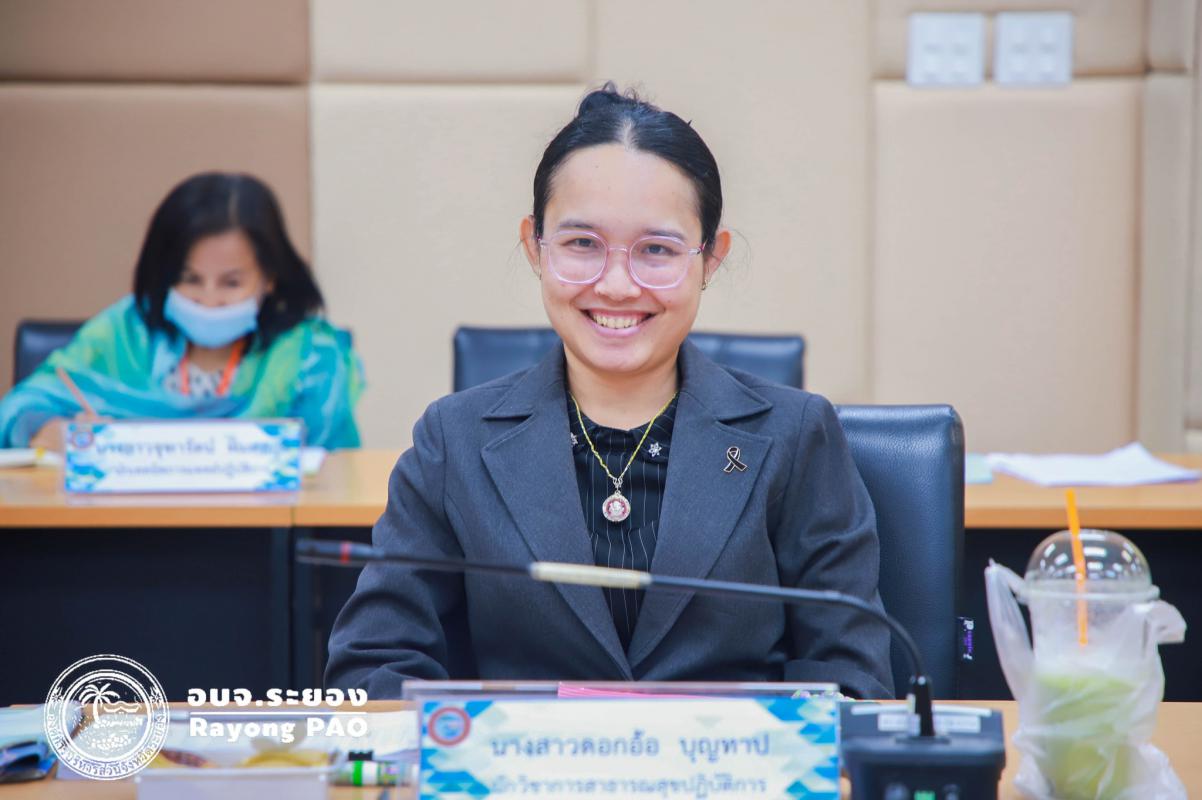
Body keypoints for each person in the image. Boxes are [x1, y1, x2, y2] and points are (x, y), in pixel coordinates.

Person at [326, 85, 893, 698]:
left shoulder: (795, 436)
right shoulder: (453, 441)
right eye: (581, 244)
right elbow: (371, 667)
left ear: (711, 260)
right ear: (534, 247)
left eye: (657, 250)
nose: (617, 285)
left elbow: (853, 677)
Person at [0, 172, 363, 450]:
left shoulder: (309, 356)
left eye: (231, 283)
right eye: (190, 279)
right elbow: (20, 409)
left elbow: (335, 469)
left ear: (270, 278)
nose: (208, 299)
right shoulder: (125, 332)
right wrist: (50, 431)